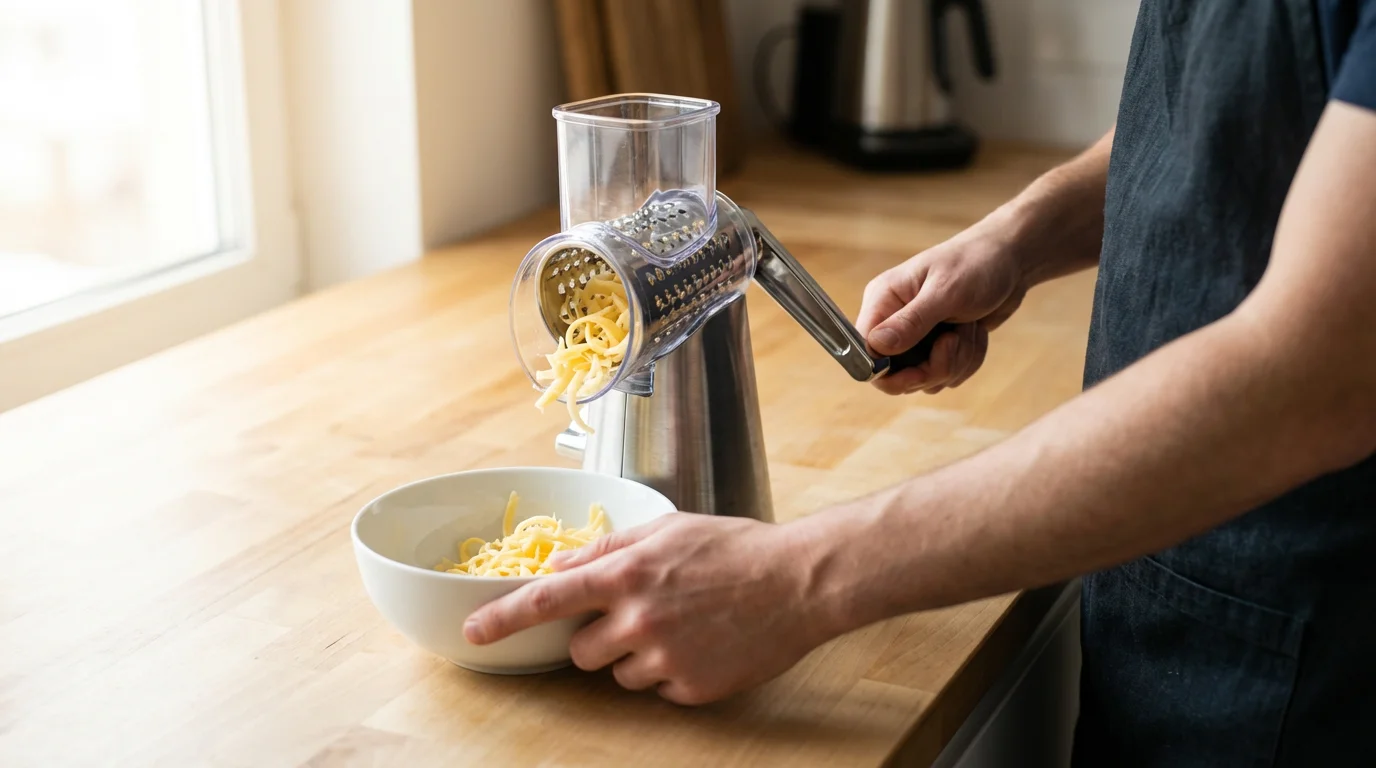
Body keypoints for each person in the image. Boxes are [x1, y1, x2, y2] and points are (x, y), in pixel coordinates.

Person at [467, 1, 1376, 763]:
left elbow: (1317, 372)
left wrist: (797, 580)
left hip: (1314, 650)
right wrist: (1020, 236)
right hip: (1166, 595)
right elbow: (1242, 114)